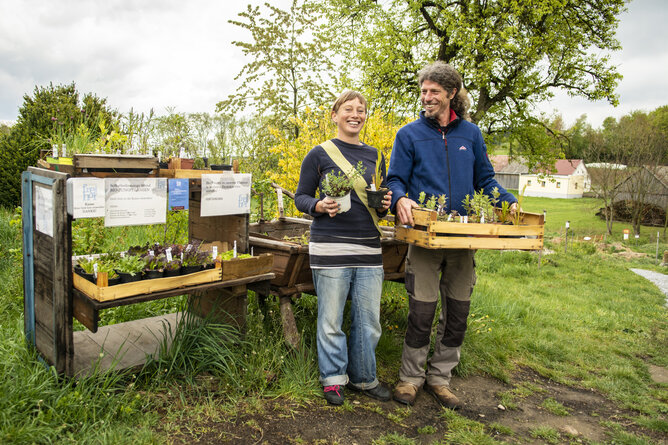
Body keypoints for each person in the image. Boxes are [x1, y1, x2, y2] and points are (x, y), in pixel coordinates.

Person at [386, 61, 517, 409]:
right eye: (424, 91)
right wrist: (400, 197)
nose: (426, 98)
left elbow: (486, 180)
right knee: (422, 311)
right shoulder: (409, 134)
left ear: (451, 94)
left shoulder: (470, 135)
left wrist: (509, 201)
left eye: (434, 92)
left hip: (463, 239)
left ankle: (440, 378)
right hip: (426, 237)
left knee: (457, 311)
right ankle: (411, 378)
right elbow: (394, 178)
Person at [295, 90, 393, 406]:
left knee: (368, 320)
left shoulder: (375, 156)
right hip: (330, 248)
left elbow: (378, 204)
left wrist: (385, 206)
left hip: (368, 249)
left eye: (360, 110)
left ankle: (364, 379)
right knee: (331, 319)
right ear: (335, 115)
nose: (355, 114)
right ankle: (333, 379)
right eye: (348, 109)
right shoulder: (319, 154)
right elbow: (301, 198)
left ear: (365, 116)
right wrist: (320, 206)